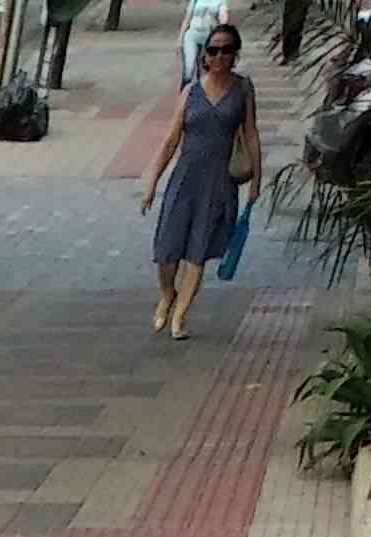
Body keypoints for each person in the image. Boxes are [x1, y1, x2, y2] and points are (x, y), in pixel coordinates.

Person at [141, 13, 258, 332]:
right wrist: (152, 184)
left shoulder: (243, 90)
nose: (219, 57)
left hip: (219, 182)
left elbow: (251, 135)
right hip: (185, 178)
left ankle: (180, 315)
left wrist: (256, 181)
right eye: (213, 50)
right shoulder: (191, 92)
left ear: (235, 54)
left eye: (226, 50)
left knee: (198, 252)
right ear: (205, 54)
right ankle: (168, 294)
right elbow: (170, 140)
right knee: (167, 251)